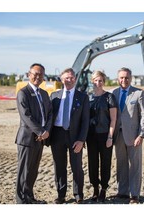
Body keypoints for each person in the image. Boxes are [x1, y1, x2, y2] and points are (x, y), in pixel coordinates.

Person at [49, 68, 89, 204]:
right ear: (61, 79)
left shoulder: (83, 97)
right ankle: (61, 194)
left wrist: (81, 140)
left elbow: (85, 121)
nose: (69, 80)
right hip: (57, 134)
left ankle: (78, 194)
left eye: (72, 77)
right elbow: (49, 117)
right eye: (66, 77)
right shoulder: (54, 96)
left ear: (75, 79)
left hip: (75, 136)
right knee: (59, 166)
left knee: (76, 166)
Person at [15, 63, 53, 204]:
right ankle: (21, 200)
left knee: (33, 171)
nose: (38, 77)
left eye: (41, 74)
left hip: (40, 139)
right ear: (28, 74)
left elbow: (50, 114)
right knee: (23, 171)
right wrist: (41, 131)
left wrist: (46, 131)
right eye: (35, 74)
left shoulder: (44, 94)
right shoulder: (23, 93)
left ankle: (29, 197)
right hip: (27, 139)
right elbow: (26, 116)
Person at [112, 67, 144, 204]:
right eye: (121, 77)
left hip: (133, 136)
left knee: (135, 165)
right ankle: (122, 192)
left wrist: (141, 135)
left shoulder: (138, 93)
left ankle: (134, 195)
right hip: (118, 136)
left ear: (131, 78)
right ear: (118, 79)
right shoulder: (114, 93)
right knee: (121, 164)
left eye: (126, 77)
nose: (124, 80)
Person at [86, 70, 117, 203]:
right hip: (91, 136)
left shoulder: (109, 97)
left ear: (104, 82)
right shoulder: (87, 97)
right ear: (92, 81)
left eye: (101, 81)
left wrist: (110, 137)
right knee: (92, 163)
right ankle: (95, 188)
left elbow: (113, 120)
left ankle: (104, 188)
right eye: (96, 80)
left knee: (105, 163)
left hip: (105, 136)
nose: (98, 83)